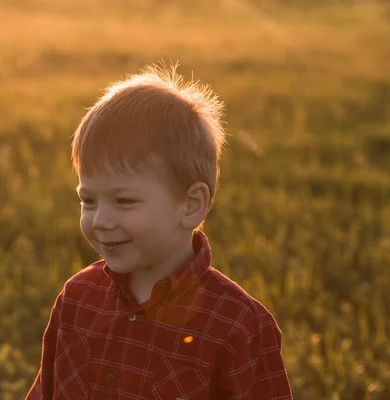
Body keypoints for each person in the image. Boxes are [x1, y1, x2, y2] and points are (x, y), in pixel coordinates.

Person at [25, 63, 292, 399]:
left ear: (191, 204)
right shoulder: (78, 299)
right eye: (88, 200)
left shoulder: (238, 325)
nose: (100, 220)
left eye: (124, 201)